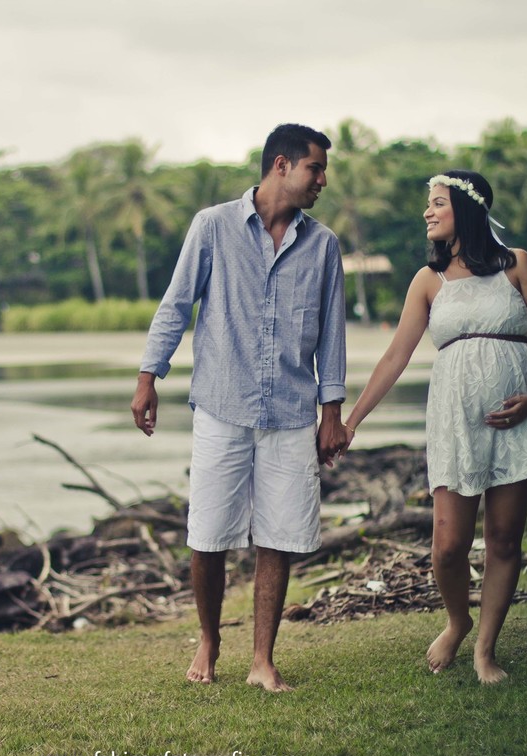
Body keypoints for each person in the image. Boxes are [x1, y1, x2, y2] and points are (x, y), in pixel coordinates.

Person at [131, 123, 348, 692]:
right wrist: (148, 377)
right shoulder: (212, 227)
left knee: (278, 535)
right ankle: (208, 636)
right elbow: (176, 305)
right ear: (282, 165)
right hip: (222, 406)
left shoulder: (323, 245)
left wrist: (332, 412)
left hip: (292, 412)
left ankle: (262, 659)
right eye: (315, 169)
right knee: (207, 533)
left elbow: (331, 335)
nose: (322, 180)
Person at [342, 169, 527, 684]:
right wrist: (352, 419)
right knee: (447, 545)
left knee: (504, 540)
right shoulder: (428, 280)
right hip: (454, 421)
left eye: (437, 202)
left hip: (516, 419)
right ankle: (458, 619)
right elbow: (396, 355)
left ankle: (486, 650)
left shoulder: (517, 266)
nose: (428, 212)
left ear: (465, 209)